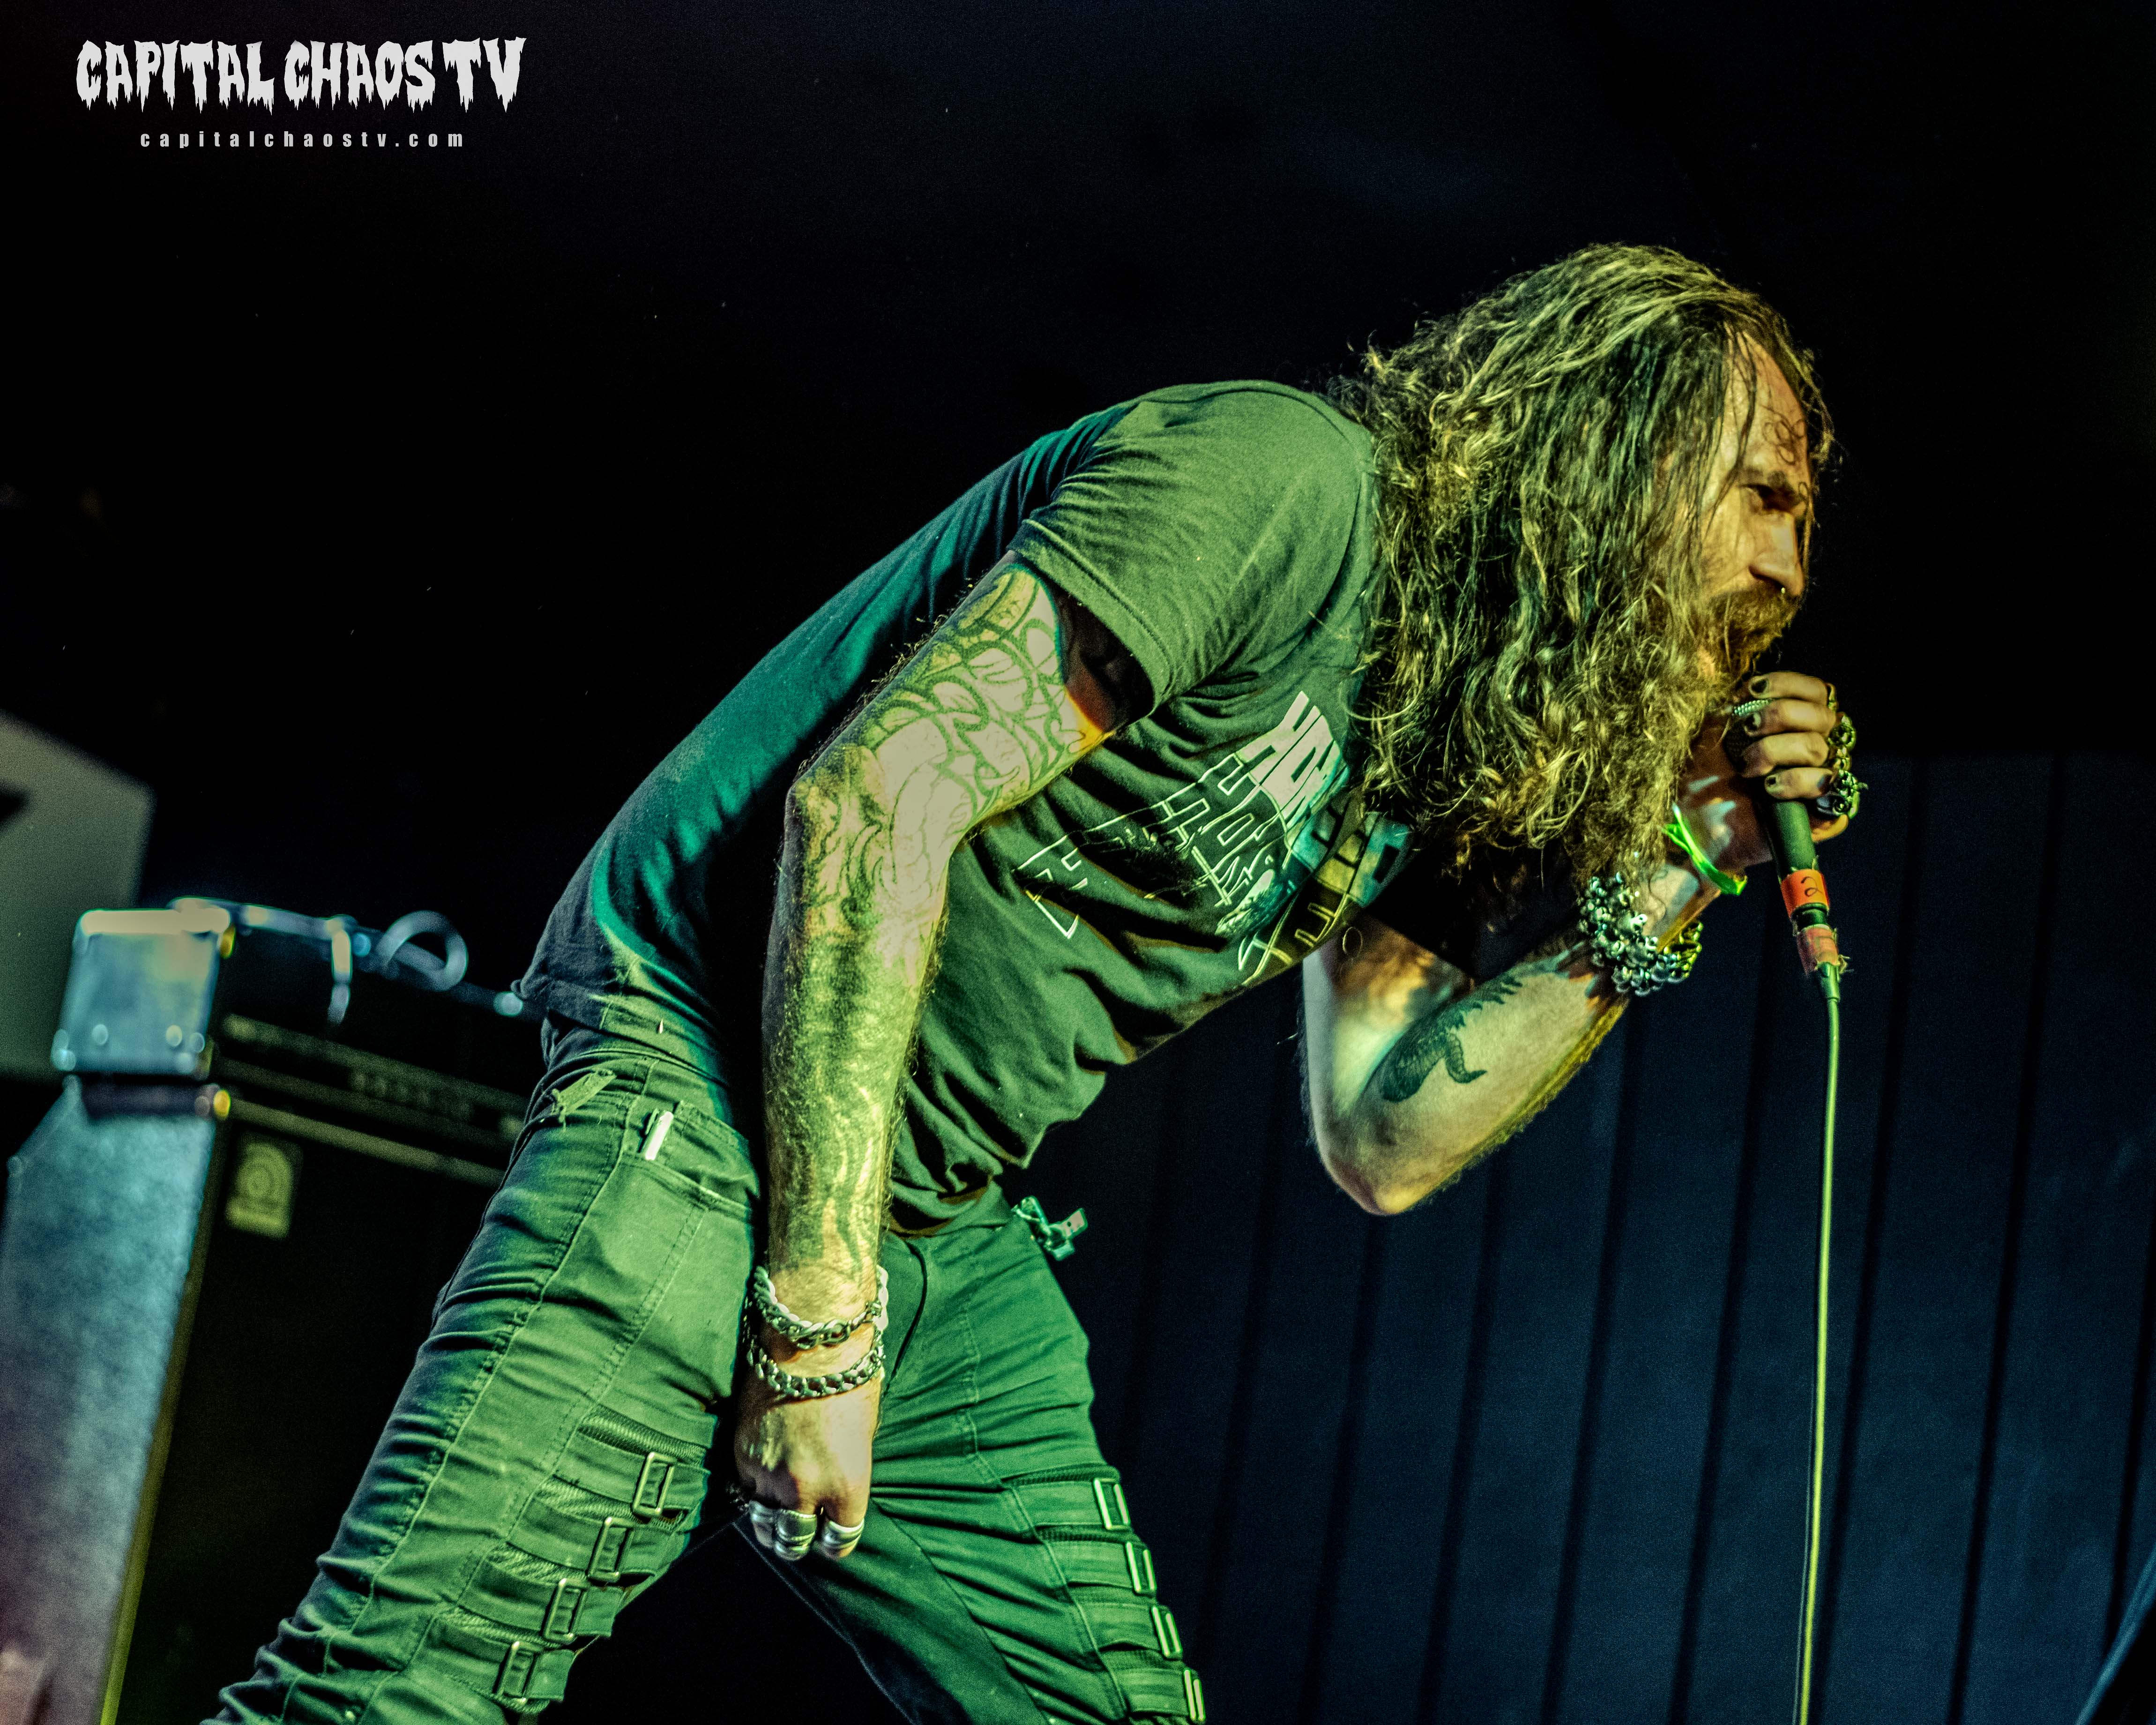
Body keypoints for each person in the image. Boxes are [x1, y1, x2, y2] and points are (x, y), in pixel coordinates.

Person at [212, 243, 1860, 1725]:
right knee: (389, 1696)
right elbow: (876, 799)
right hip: (700, 1085)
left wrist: (1685, 860)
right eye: (1763, 495)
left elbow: (1382, 1138)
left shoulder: (1437, 735)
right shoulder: (1285, 484)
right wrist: (815, 1316)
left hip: (933, 1207)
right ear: (1608, 448)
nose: (1789, 566)